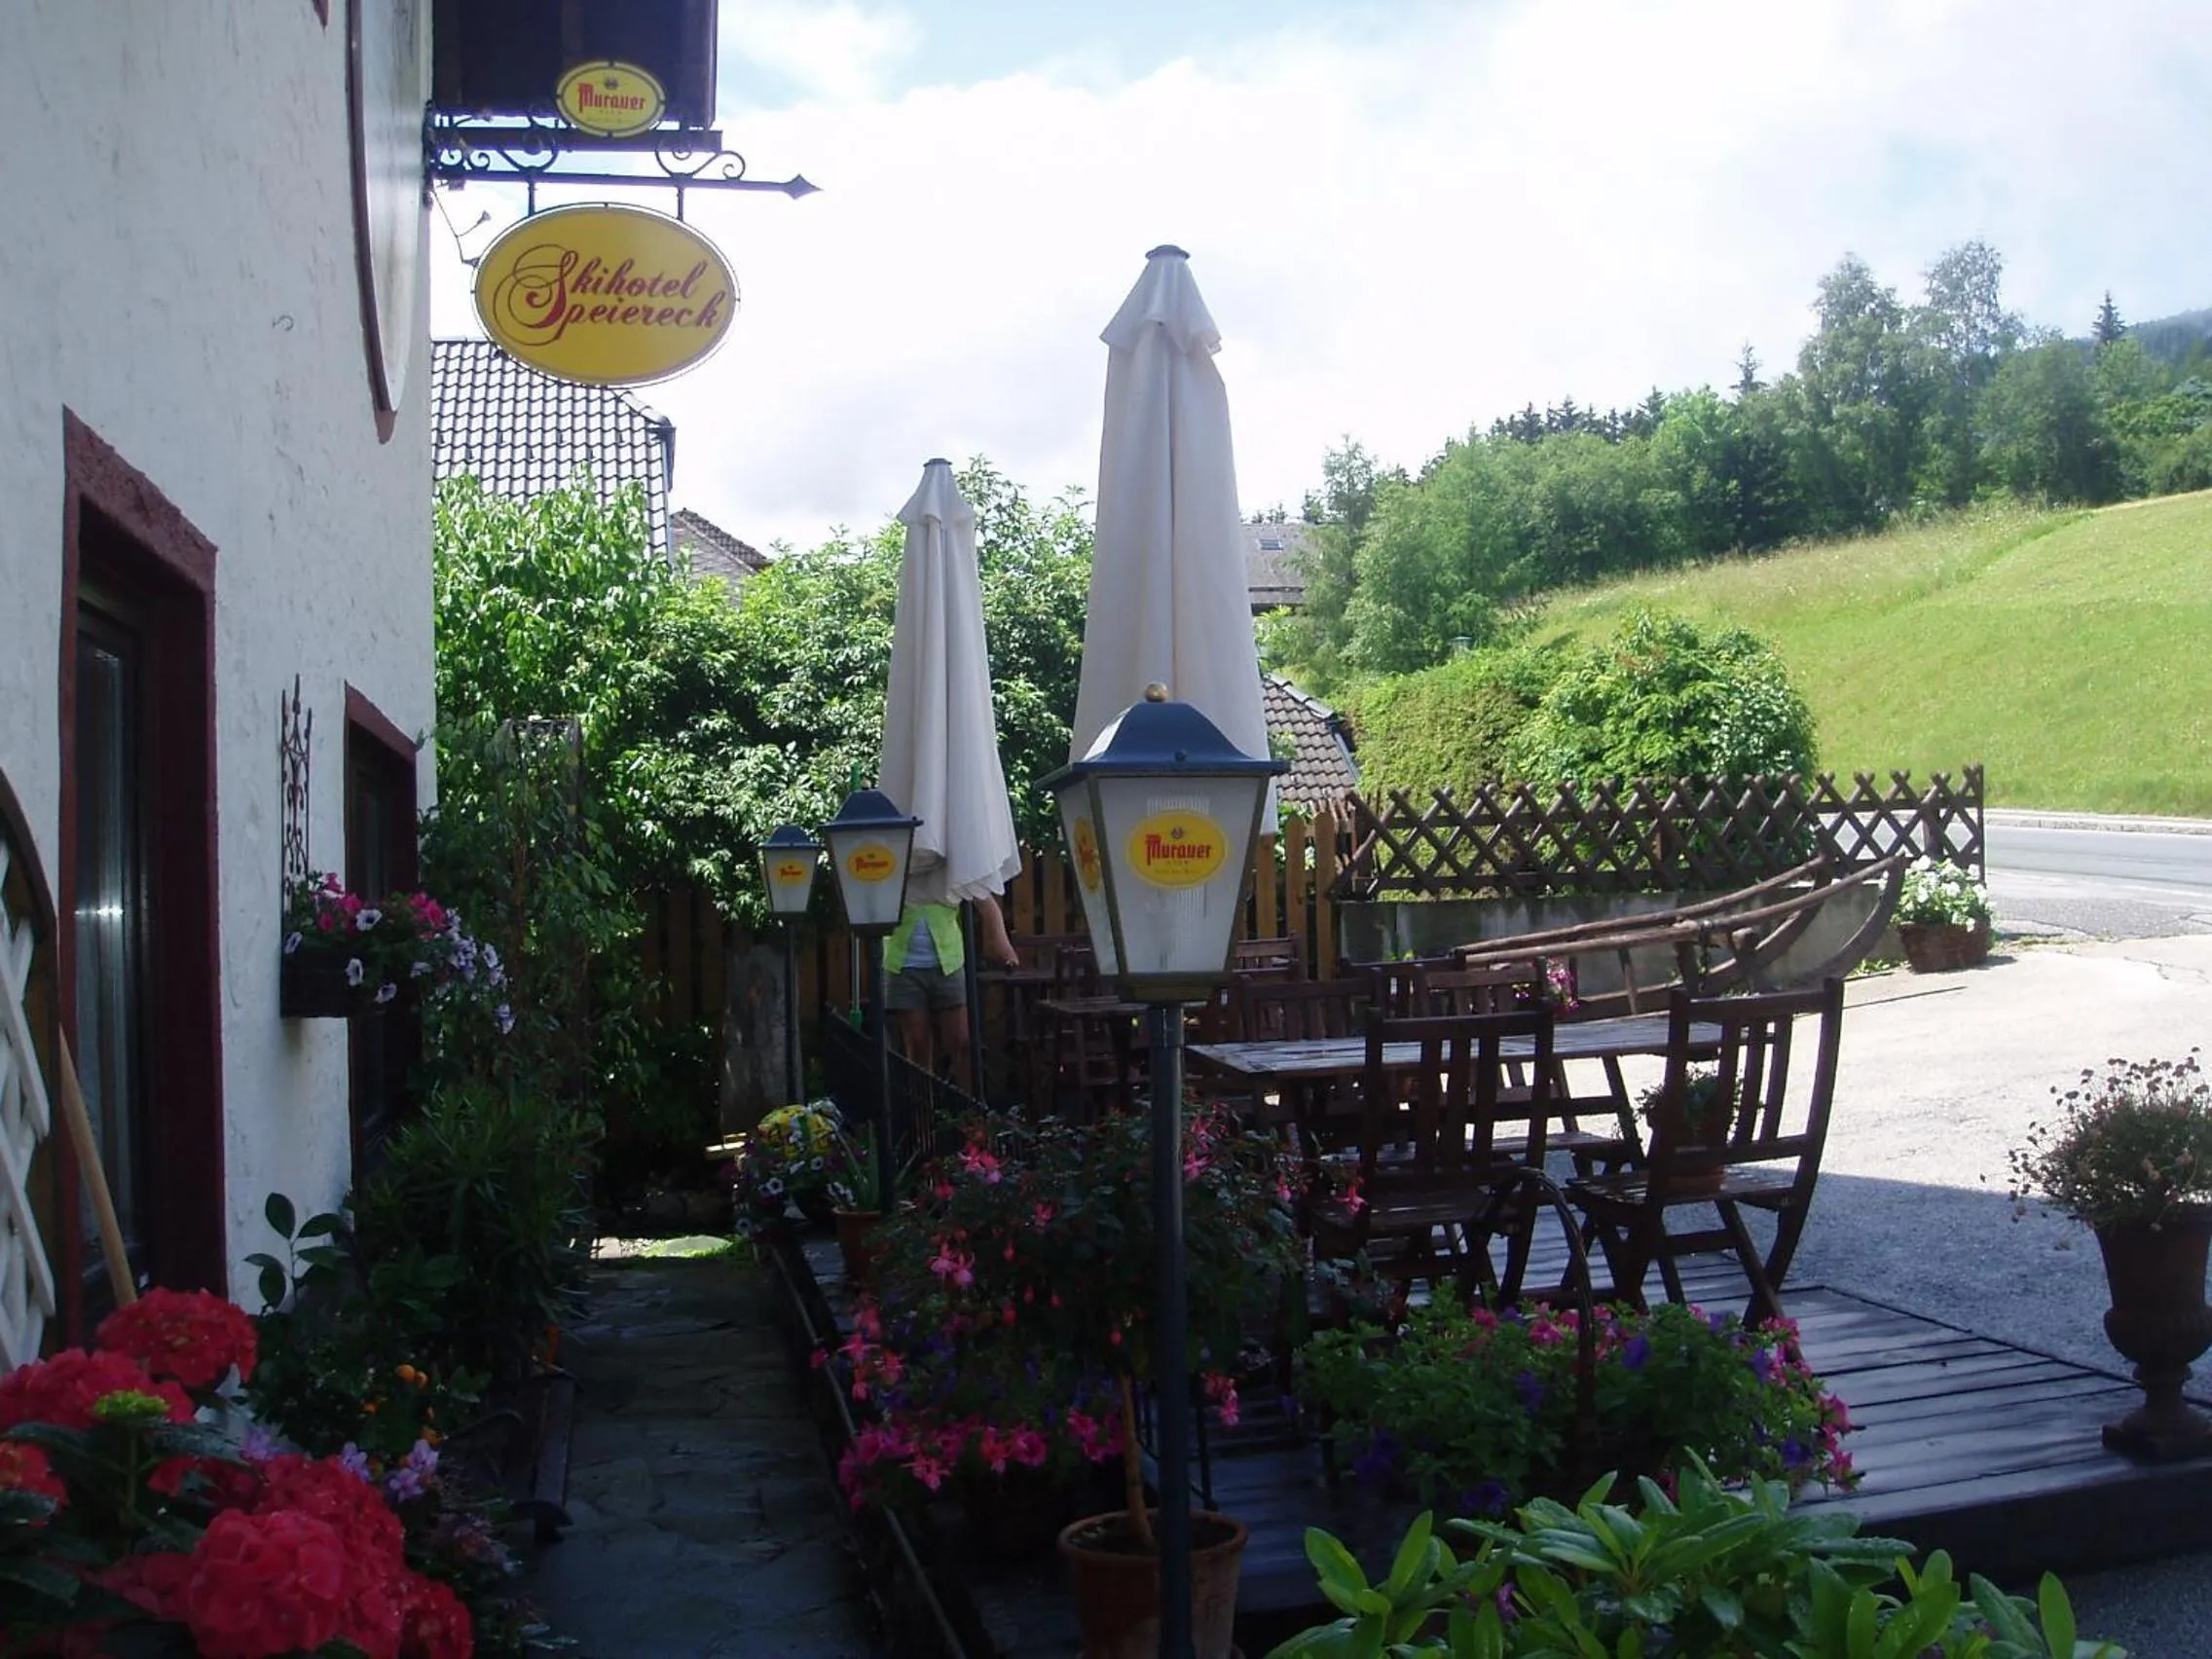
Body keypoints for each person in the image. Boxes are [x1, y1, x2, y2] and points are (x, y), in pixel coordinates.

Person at [884, 892, 1018, 1093]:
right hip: (902, 964)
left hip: (949, 962)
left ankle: (970, 1117)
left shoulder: (952, 864)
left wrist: (1002, 943)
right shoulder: (896, 864)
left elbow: (984, 899)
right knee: (917, 1046)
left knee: (962, 1044)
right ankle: (924, 1118)